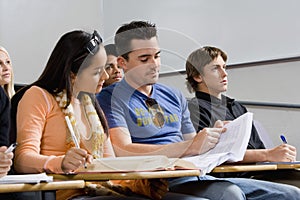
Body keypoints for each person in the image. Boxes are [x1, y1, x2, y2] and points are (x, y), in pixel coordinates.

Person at [97, 20, 300, 200]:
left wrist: (217, 137)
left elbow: (197, 149)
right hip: (154, 181)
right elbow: (122, 150)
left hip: (192, 174)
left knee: (291, 194)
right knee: (230, 194)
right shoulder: (109, 98)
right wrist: (191, 146)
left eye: (157, 56)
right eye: (144, 59)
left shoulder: (173, 96)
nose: (155, 65)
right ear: (122, 63)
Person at [13, 29, 174, 200]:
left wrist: (143, 185)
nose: (105, 76)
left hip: (101, 190)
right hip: (66, 193)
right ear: (72, 74)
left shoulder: (90, 103)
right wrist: (60, 162)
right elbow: (22, 160)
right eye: (97, 71)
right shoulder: (39, 96)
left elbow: (109, 167)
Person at [185, 46, 300, 182]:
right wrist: (268, 154)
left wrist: (277, 155)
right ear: (198, 76)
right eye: (216, 68)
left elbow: (258, 148)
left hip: (257, 172)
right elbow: (212, 156)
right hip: (229, 178)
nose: (224, 73)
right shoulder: (193, 110)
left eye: (224, 67)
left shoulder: (237, 108)